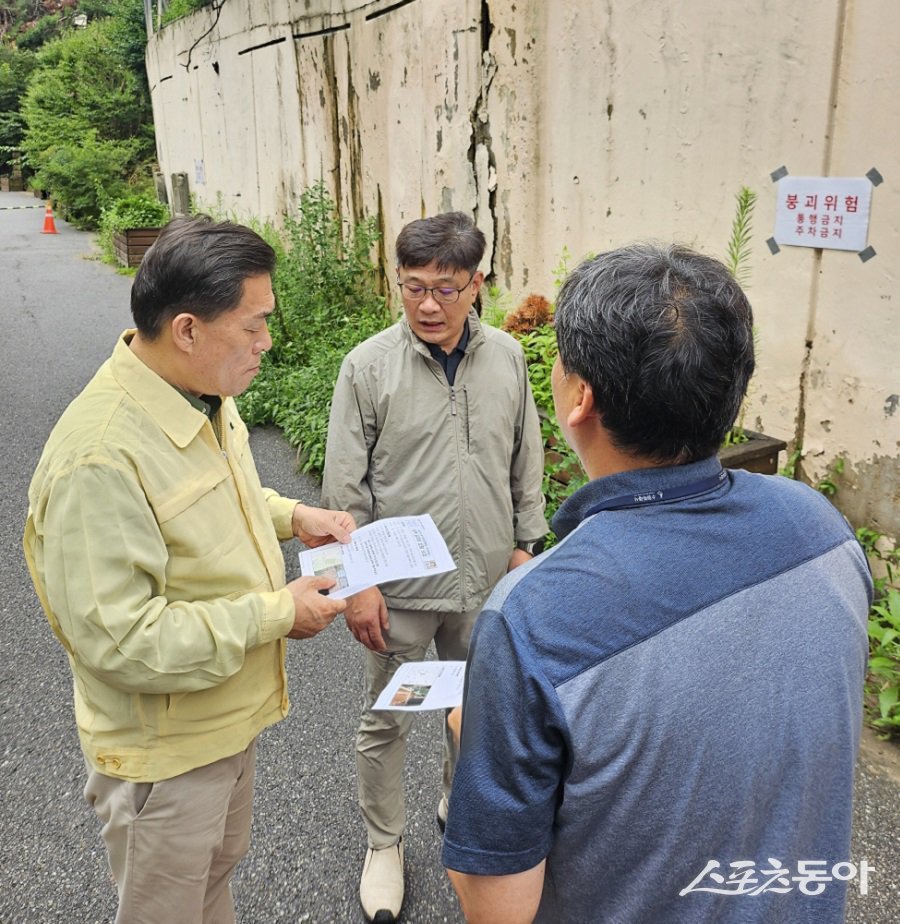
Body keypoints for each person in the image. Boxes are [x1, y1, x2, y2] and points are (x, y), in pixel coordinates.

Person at [442, 243, 872, 924]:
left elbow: (498, 907)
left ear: (580, 396)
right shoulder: (821, 529)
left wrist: (472, 736)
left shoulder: (535, 619)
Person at [23, 216, 353, 924]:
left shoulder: (199, 395)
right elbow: (121, 639)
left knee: (210, 888)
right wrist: (277, 612)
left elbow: (215, 498)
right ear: (187, 329)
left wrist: (295, 515)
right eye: (255, 325)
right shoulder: (100, 457)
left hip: (221, 722)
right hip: (165, 756)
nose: (269, 343)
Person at [321, 211, 547, 922]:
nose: (426, 305)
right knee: (389, 716)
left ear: (476, 284)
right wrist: (356, 586)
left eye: (445, 289)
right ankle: (383, 845)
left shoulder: (507, 357)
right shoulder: (368, 367)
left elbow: (526, 457)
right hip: (401, 593)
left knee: (474, 713)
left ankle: (459, 802)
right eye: (412, 286)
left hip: (484, 583)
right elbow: (343, 493)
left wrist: (524, 545)